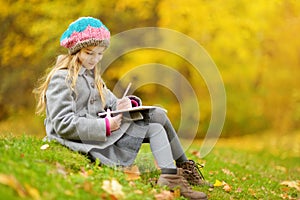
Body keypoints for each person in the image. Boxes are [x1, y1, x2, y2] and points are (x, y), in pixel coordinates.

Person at [34, 16, 209, 200]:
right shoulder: (62, 79)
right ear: (75, 50)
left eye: (100, 54)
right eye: (89, 53)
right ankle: (177, 174)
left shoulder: (93, 76)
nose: (95, 59)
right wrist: (106, 126)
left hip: (100, 132)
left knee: (156, 116)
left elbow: (111, 102)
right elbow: (63, 123)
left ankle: (174, 174)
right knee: (155, 124)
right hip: (85, 139)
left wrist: (125, 104)